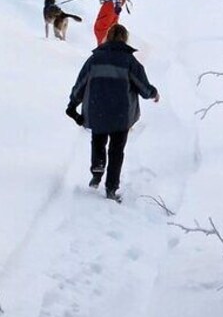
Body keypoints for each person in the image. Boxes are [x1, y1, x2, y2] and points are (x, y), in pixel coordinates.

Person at [65, 24, 159, 202]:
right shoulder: (130, 62)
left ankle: (97, 169)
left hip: (97, 110)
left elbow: (80, 85)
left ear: (107, 37)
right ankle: (111, 189)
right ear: (125, 39)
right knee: (117, 151)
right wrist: (153, 93)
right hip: (121, 115)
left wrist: (73, 103)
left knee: (98, 141)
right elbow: (143, 88)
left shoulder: (94, 59)